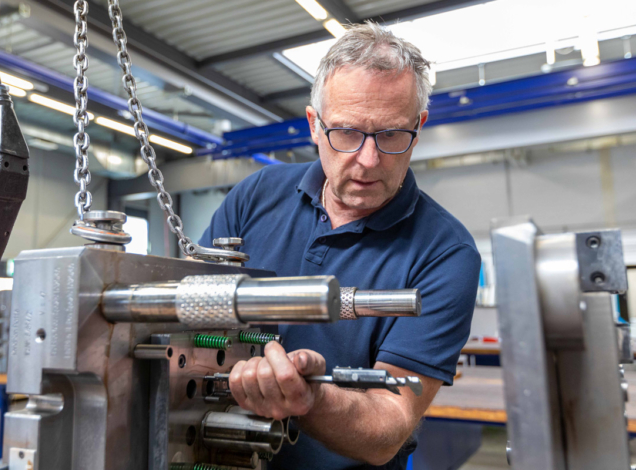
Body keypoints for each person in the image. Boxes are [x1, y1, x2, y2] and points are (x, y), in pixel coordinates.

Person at [199, 21, 481, 470]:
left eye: (391, 135)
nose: (368, 160)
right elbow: (191, 313)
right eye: (347, 133)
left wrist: (307, 397)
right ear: (314, 125)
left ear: (419, 126)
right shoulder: (256, 196)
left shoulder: (446, 254)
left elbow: (389, 424)